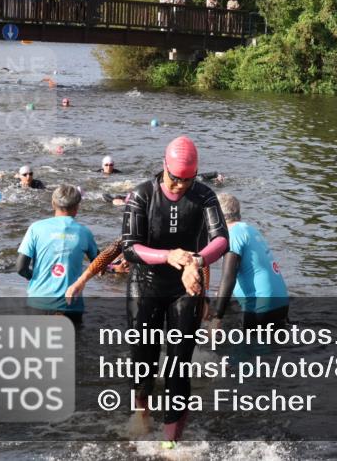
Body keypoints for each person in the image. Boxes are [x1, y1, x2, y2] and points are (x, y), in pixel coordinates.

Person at [119, 136, 229, 444]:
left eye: (187, 180)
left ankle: (170, 441)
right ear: (164, 168)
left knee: (180, 364)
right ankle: (141, 410)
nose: (180, 185)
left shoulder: (205, 196)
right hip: (146, 285)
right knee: (144, 361)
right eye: (174, 178)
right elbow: (129, 248)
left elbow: (221, 240)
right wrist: (168, 256)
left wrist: (197, 259)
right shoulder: (141, 195)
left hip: (186, 288)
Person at [16, 185, 99, 327]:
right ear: (77, 207)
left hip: (38, 303)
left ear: (53, 204)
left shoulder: (36, 228)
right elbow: (98, 264)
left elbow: (20, 267)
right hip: (71, 307)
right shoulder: (84, 232)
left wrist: (33, 276)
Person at [211, 194, 289, 330]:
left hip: (261, 308)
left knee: (247, 350)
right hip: (281, 303)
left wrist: (216, 318)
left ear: (217, 218)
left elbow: (228, 278)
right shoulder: (249, 229)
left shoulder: (232, 235)